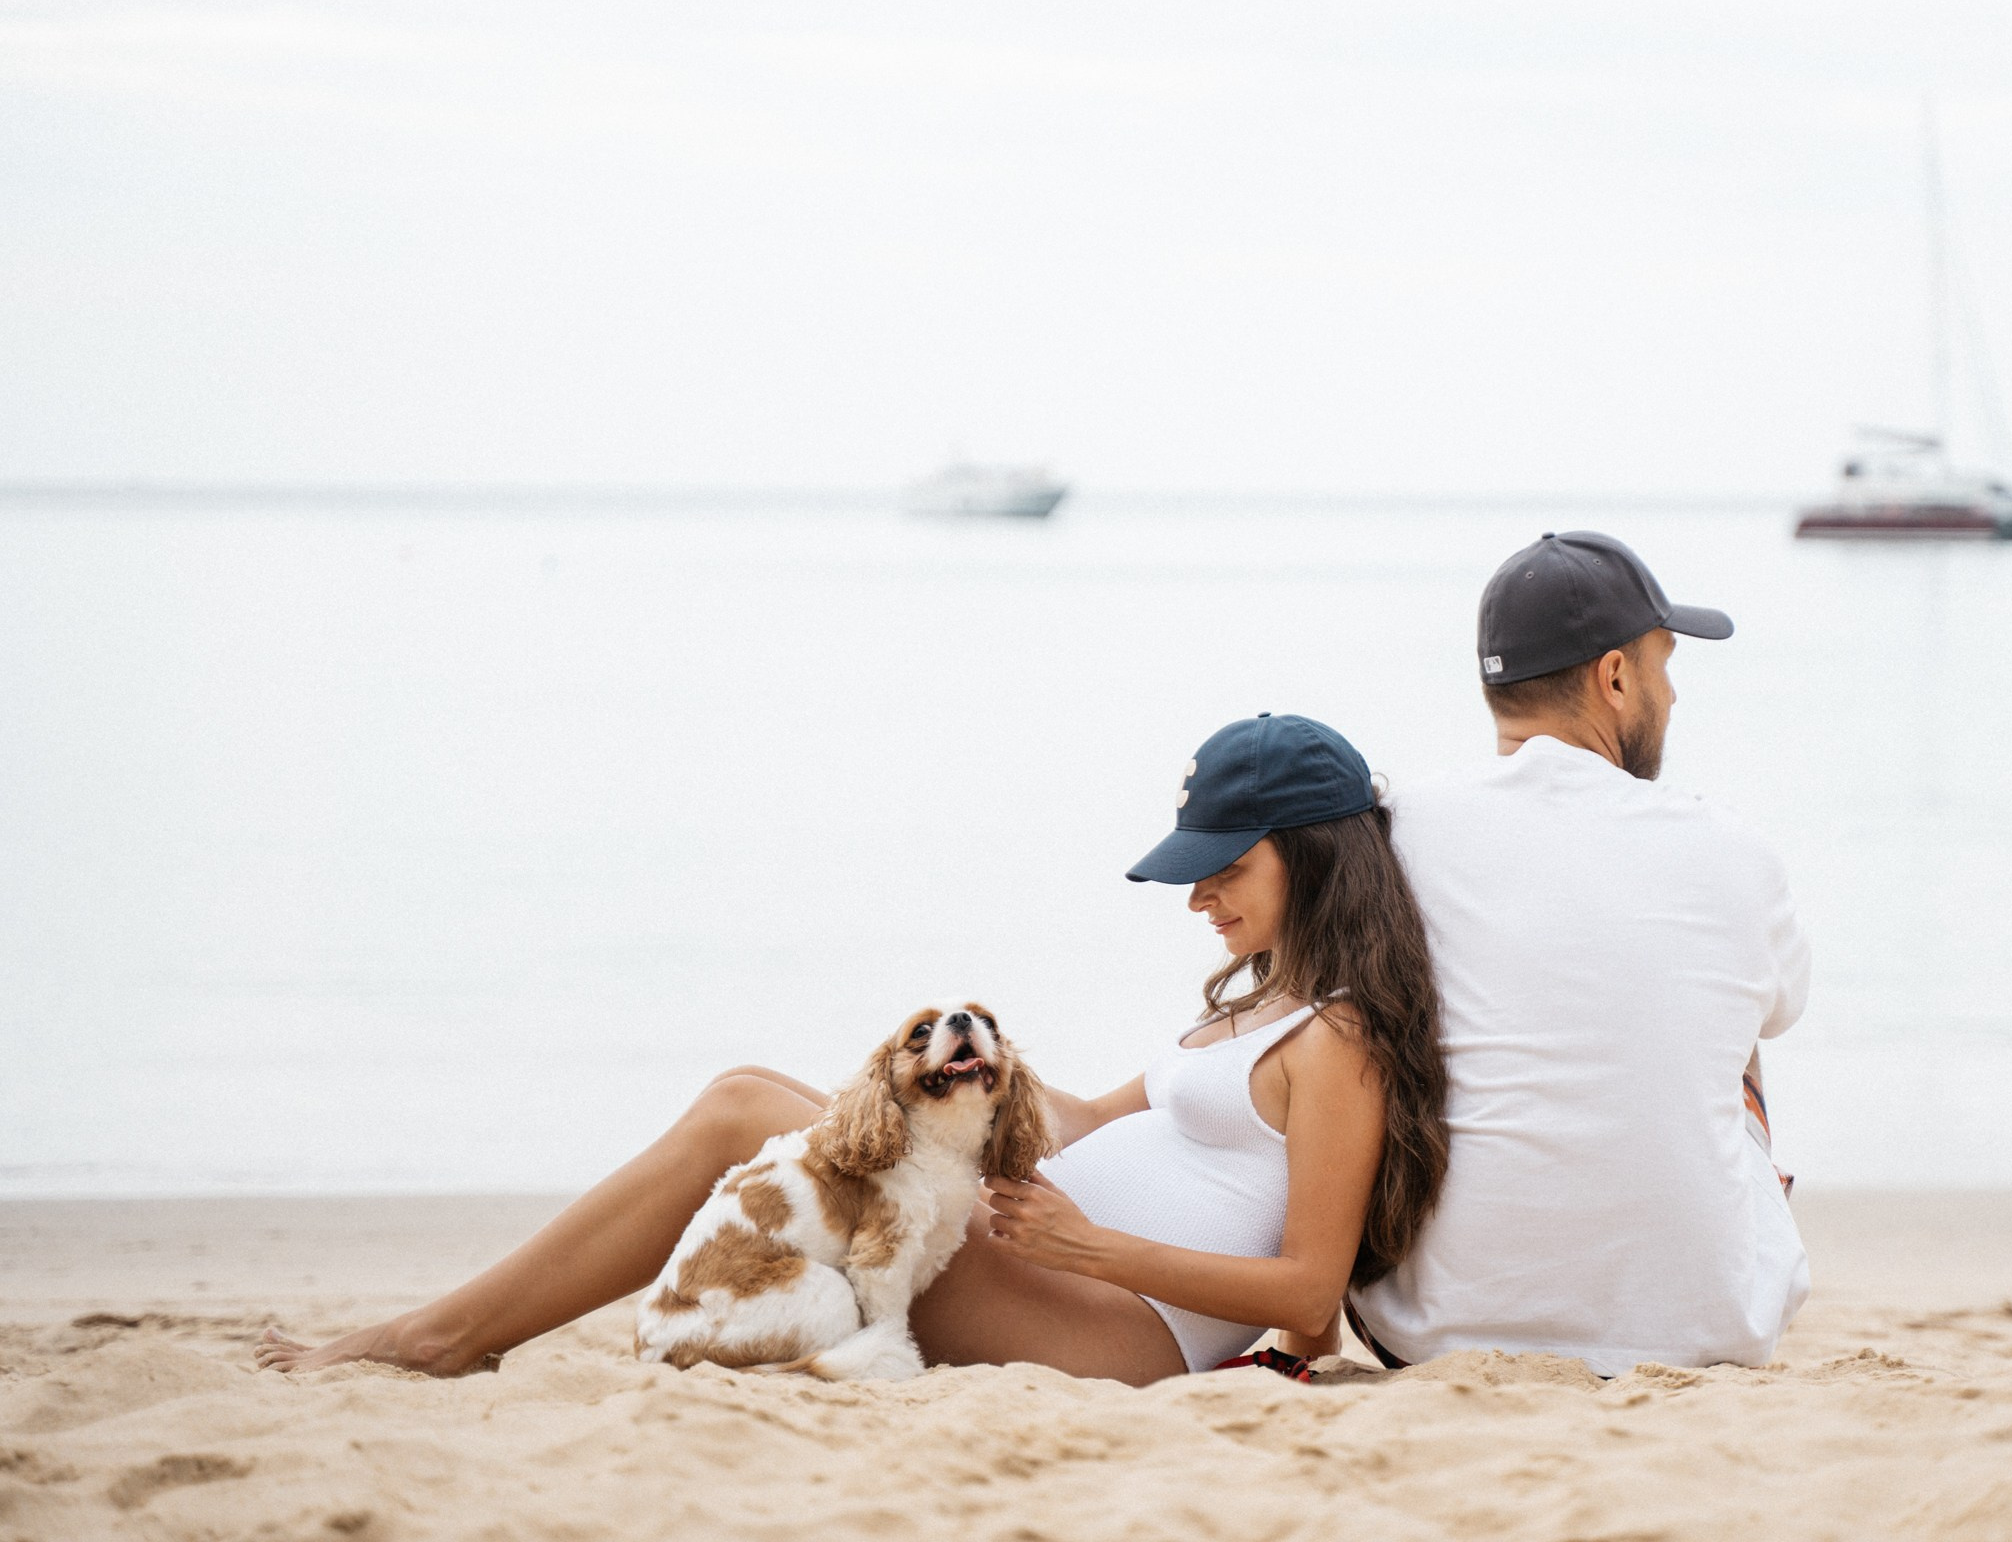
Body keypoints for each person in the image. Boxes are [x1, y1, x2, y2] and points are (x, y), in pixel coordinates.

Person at [257, 713, 1447, 1387]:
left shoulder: (1339, 1039)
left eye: (1225, 868)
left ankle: (442, 1338)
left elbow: (1309, 1292)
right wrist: (964, 1065)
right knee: (753, 1091)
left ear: (1317, 854)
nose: (1197, 898)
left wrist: (1093, 1243)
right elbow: (1090, 1121)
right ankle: (454, 1331)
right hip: (1048, 1258)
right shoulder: (1266, 1001)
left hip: (1105, 1324)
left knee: (739, 1115)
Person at [1344, 531, 1810, 1378]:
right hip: (1709, 1331)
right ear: (1615, 677)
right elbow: (1782, 1011)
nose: (1674, 694)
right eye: (1666, 665)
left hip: (1429, 1329)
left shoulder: (1394, 829)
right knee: (1736, 1028)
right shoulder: (1731, 846)